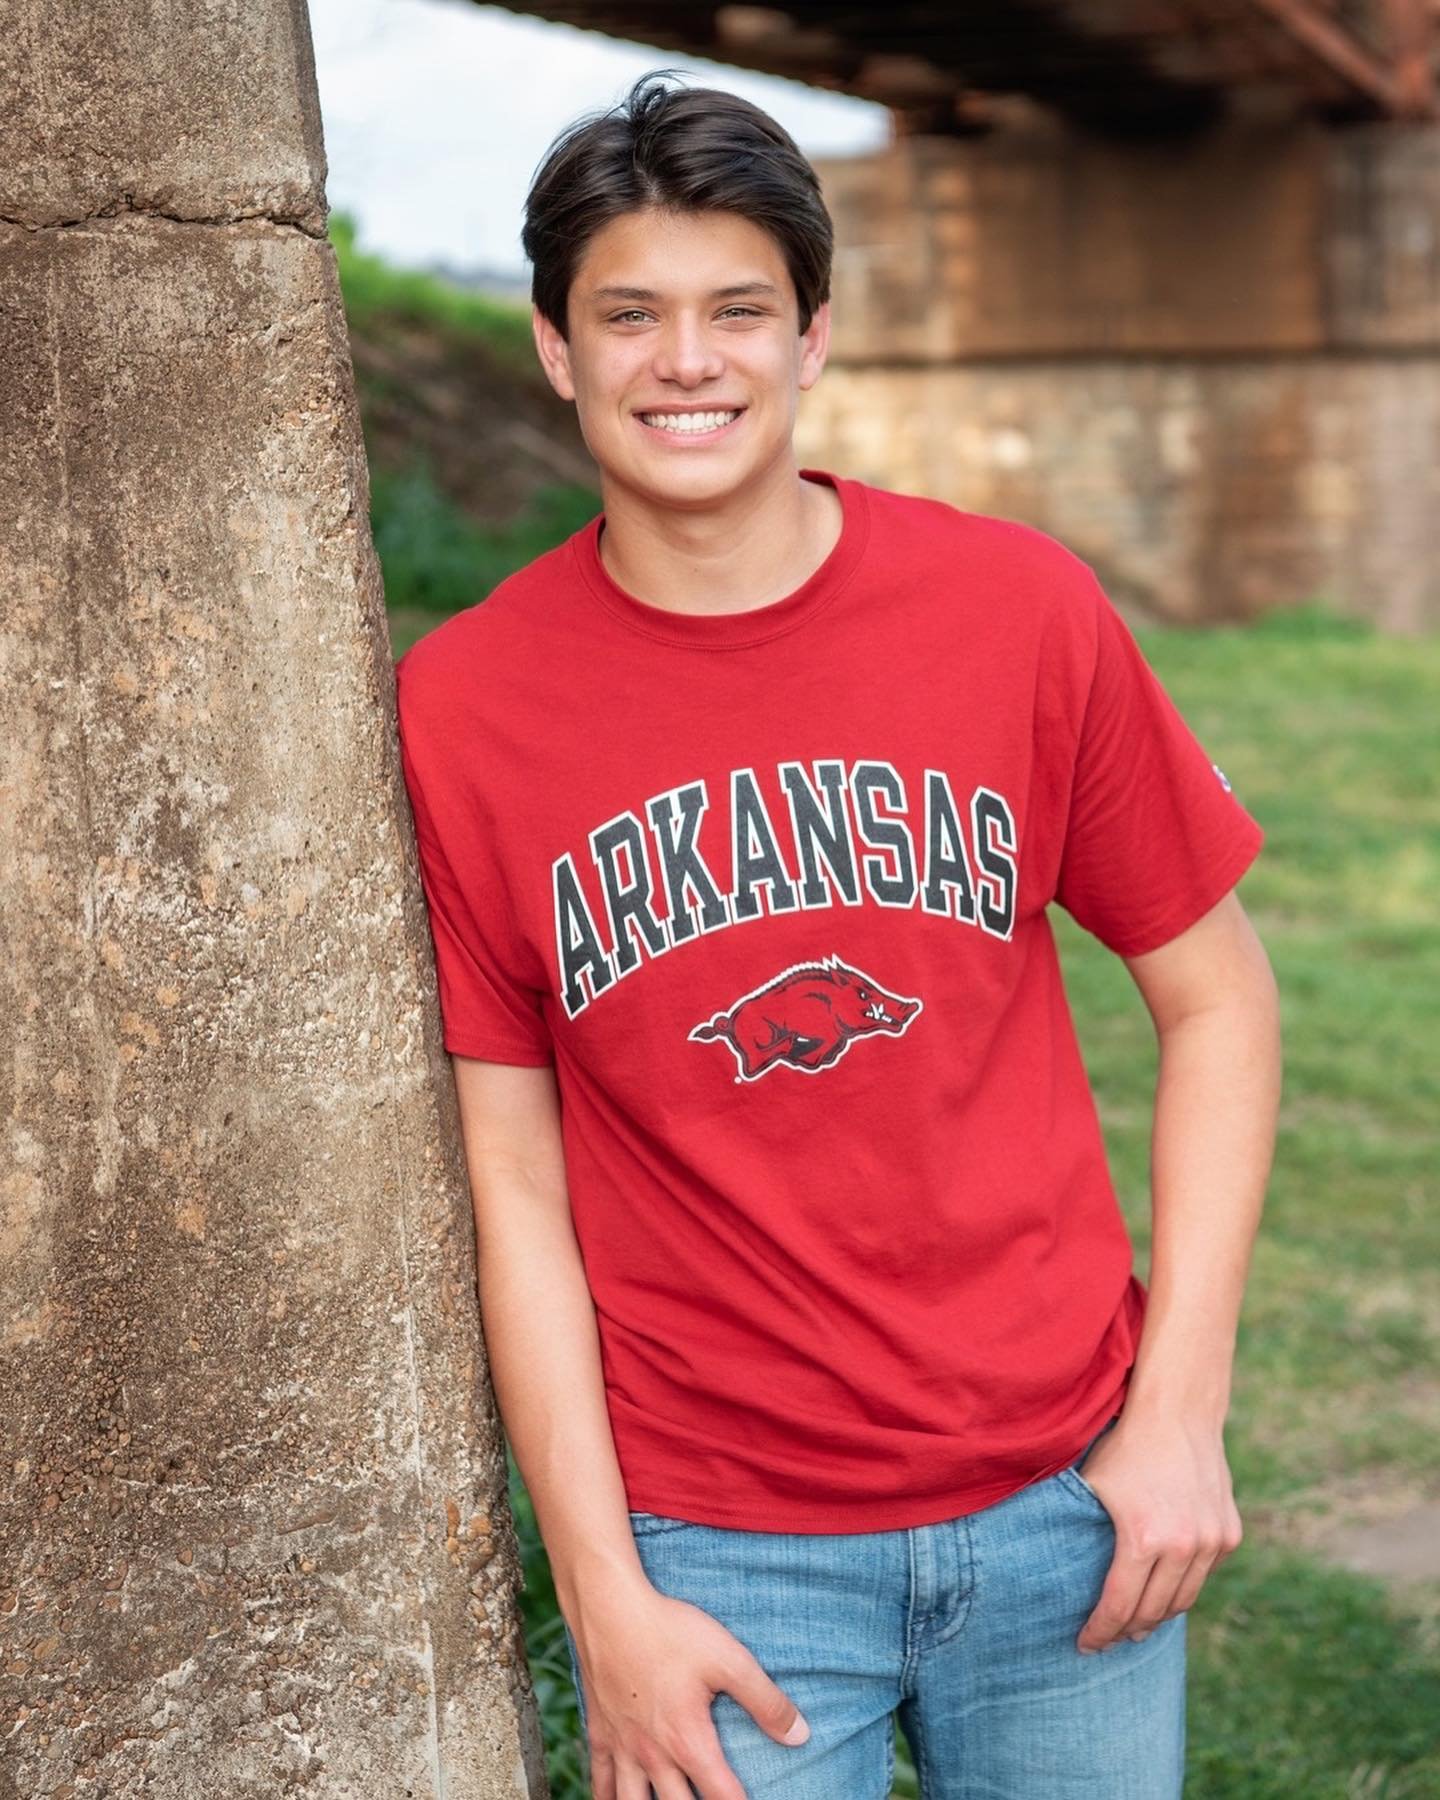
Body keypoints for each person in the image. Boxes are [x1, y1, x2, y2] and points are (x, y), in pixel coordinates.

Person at [393, 68, 1281, 1800]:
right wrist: (603, 1592)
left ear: (812, 339)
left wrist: (1176, 1414)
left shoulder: (1017, 613)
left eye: (739, 310)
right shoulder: (467, 705)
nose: (688, 361)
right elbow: (510, 1173)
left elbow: (1222, 1000)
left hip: (1063, 1503)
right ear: (557, 350)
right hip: (719, 1547)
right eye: (629, 315)